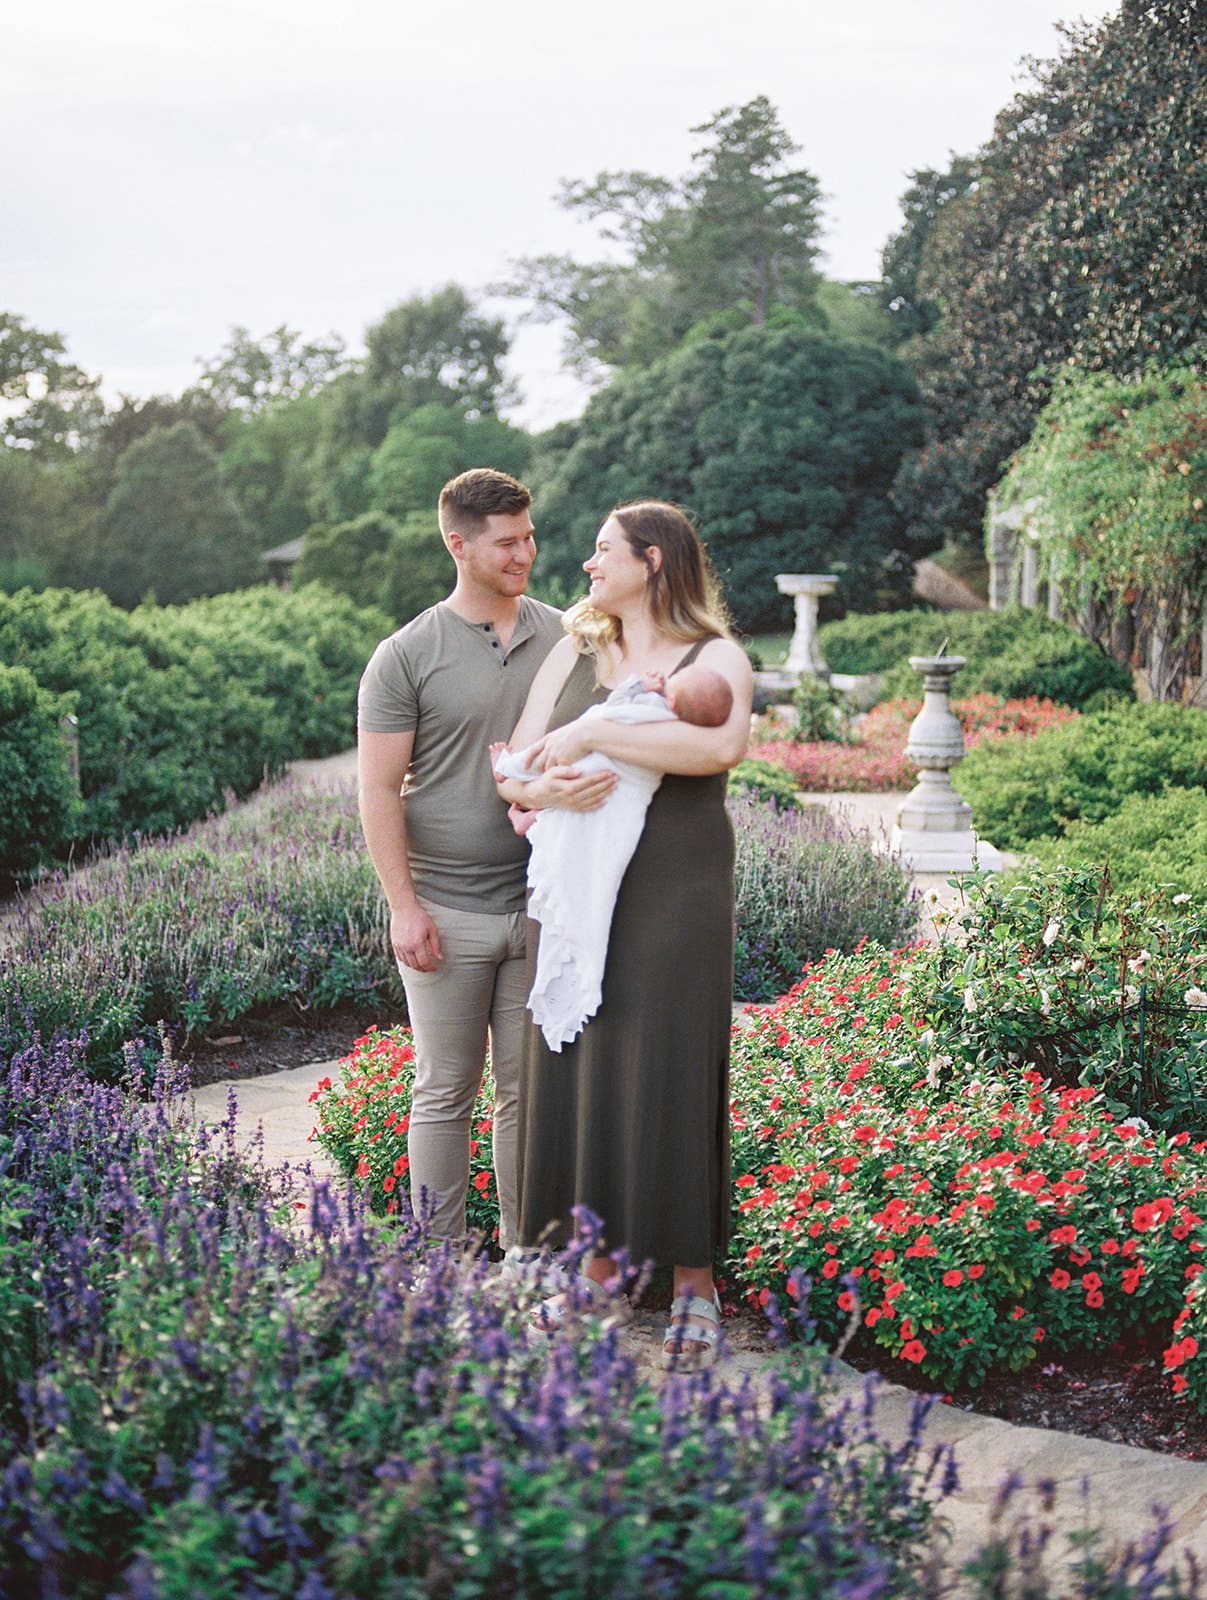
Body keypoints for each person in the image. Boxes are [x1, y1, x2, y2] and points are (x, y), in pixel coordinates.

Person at [493, 500, 752, 1370]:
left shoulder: (714, 655)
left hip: (675, 880)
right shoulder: (575, 648)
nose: (587, 565)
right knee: (583, 1059)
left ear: (652, 558)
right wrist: (539, 794)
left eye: (603, 550)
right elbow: (519, 767)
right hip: (575, 878)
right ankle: (596, 1268)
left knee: (672, 1063)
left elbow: (718, 750)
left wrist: (601, 729)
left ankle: (692, 1286)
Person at [356, 467, 609, 1256]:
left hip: (541, 904)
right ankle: (439, 1262)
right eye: (506, 542)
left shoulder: (567, 640)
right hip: (446, 910)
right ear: (457, 545)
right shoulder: (405, 656)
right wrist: (403, 905)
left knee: (526, 1096)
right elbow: (377, 788)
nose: (525, 553)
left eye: (529, 536)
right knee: (444, 1089)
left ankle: (525, 1255)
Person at [489, 663, 733, 1053]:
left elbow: (613, 708)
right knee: (572, 819)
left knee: (566, 784)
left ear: (670, 699)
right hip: (614, 793)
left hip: (615, 783)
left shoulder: (652, 715)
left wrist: (638, 686)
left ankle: (510, 768)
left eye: (667, 683)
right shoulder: (674, 722)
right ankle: (532, 815)